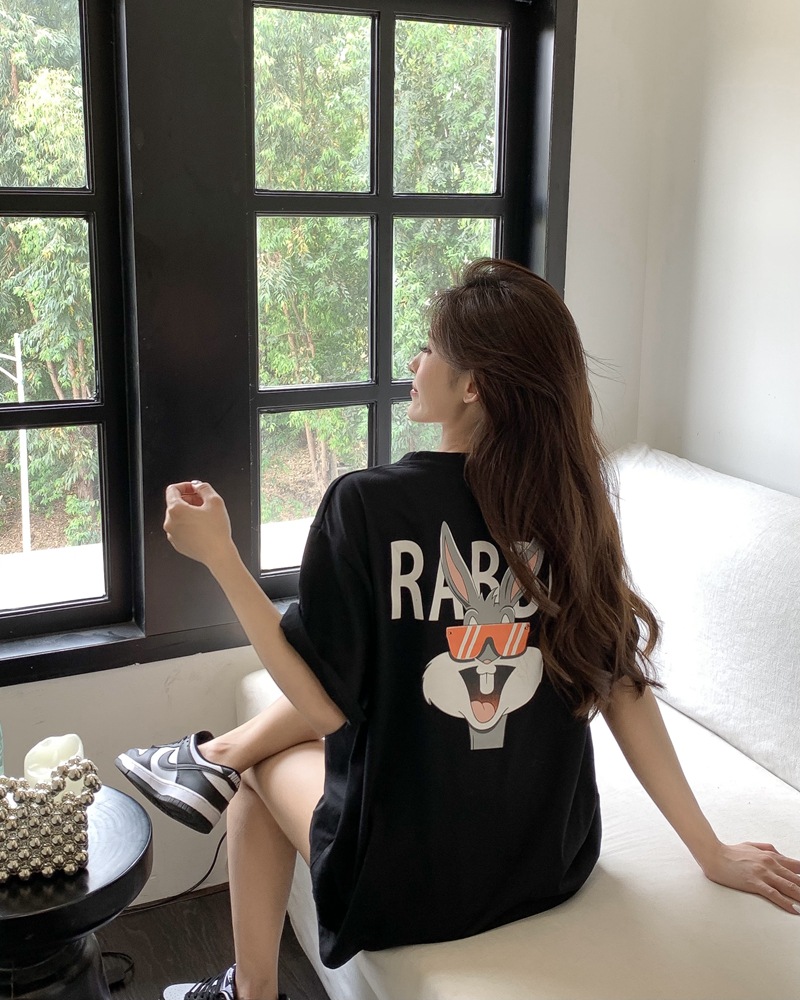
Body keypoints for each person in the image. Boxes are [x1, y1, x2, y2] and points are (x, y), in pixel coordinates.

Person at [116, 259, 800, 1000]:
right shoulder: (573, 512)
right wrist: (709, 850)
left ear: (472, 384)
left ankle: (250, 985)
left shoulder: (366, 505)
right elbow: (622, 687)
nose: (414, 364)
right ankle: (211, 760)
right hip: (551, 862)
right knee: (344, 701)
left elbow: (322, 706)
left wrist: (221, 558)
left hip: (407, 882)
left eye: (430, 349)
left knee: (258, 776)